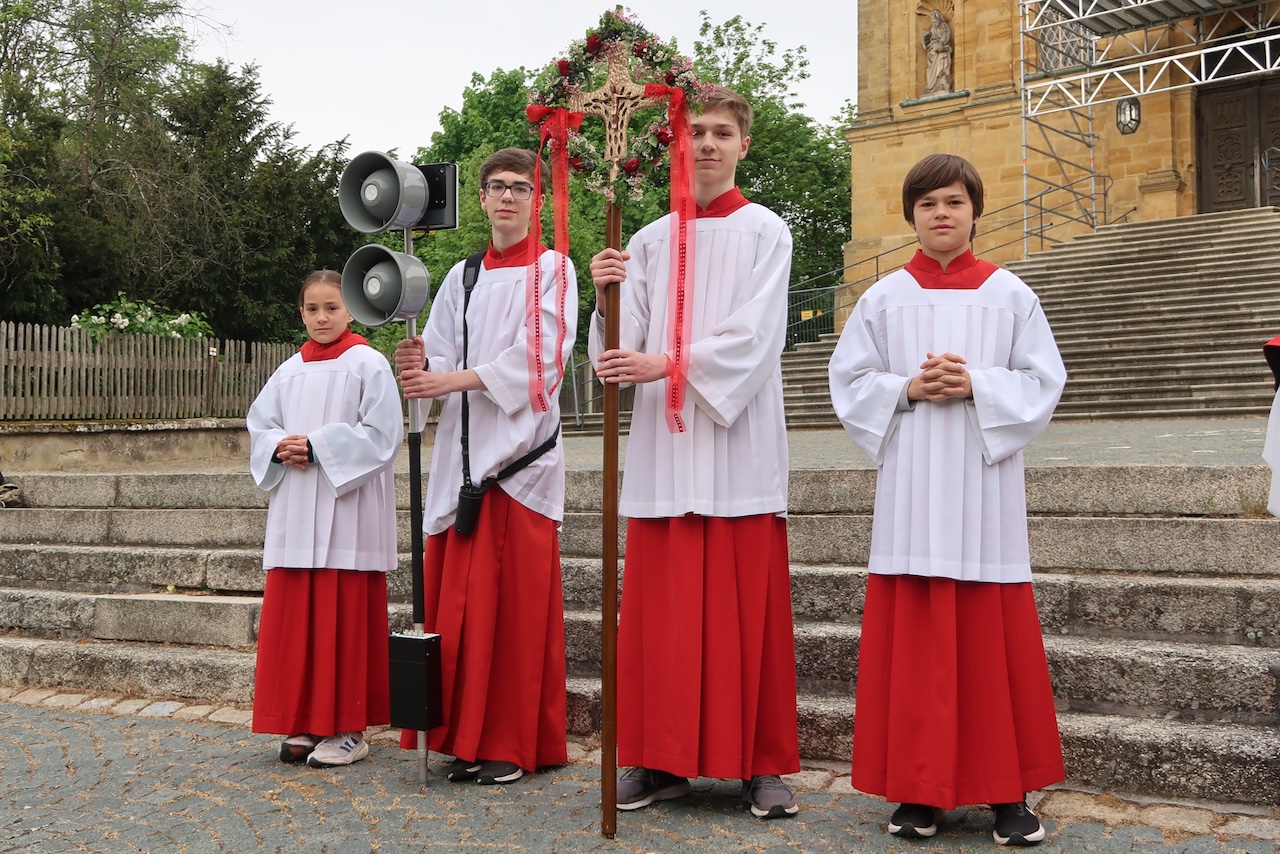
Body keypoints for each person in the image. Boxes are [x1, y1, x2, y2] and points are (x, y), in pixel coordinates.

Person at [828, 153, 1067, 846]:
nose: (941, 213)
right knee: (918, 651)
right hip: (911, 493)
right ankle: (919, 791)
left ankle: (1007, 793)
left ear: (976, 212)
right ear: (910, 214)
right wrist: (906, 387)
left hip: (985, 497)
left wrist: (977, 386)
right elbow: (849, 381)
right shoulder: (883, 298)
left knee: (993, 649)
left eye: (955, 202)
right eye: (928, 202)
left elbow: (1044, 381)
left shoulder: (1011, 295)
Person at [588, 85, 801, 820]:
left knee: (748, 617)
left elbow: (756, 337)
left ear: (743, 144)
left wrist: (668, 365)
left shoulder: (766, 231)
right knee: (663, 621)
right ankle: (658, 760)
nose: (706, 143)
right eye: (694, 132)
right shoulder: (647, 241)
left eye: (721, 132)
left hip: (738, 449)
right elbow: (618, 354)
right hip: (664, 455)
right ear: (675, 145)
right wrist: (605, 298)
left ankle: (761, 764)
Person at [395, 147, 576, 786]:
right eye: (496, 186)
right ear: (480, 198)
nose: (506, 197)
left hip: (521, 462)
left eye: (520, 188)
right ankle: (462, 739)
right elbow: (440, 360)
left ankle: (512, 744)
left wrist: (449, 378)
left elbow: (540, 360)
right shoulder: (462, 275)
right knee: (461, 610)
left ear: (536, 200)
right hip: (460, 460)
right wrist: (419, 367)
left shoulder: (554, 269)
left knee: (516, 615)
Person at [247, 269, 403, 768]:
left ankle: (349, 728)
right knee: (298, 621)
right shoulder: (288, 370)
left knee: (344, 619)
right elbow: (260, 426)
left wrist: (317, 446)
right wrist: (279, 446)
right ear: (301, 313)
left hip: (347, 512)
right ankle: (305, 720)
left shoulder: (368, 363)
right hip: (296, 508)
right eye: (312, 309)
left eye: (331, 307)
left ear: (350, 309)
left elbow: (383, 435)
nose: (321, 318)